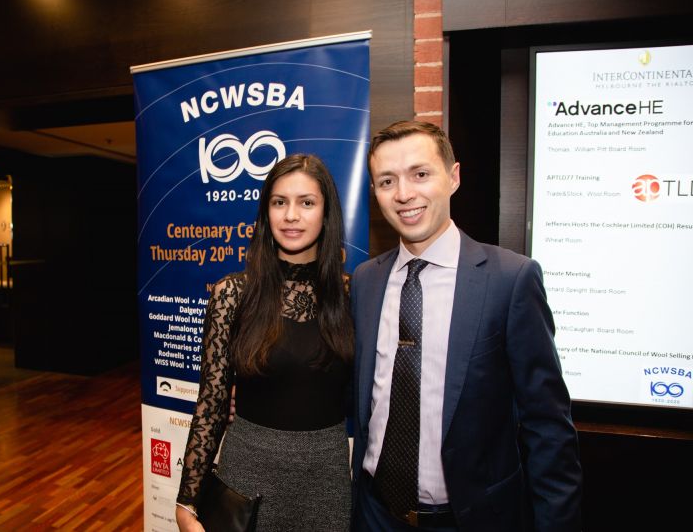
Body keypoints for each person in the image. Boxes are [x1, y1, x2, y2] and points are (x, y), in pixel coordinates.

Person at [350, 121, 582, 531]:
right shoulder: (366, 280)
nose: (404, 194)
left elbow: (547, 426)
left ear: (453, 177)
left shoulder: (509, 279)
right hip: (375, 514)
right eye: (387, 181)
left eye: (420, 174)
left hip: (471, 519)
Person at [176, 154, 354, 531]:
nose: (291, 215)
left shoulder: (352, 295)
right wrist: (187, 500)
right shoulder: (233, 294)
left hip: (326, 482)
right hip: (247, 477)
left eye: (307, 202)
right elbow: (211, 403)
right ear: (265, 213)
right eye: (279, 202)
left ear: (327, 214)